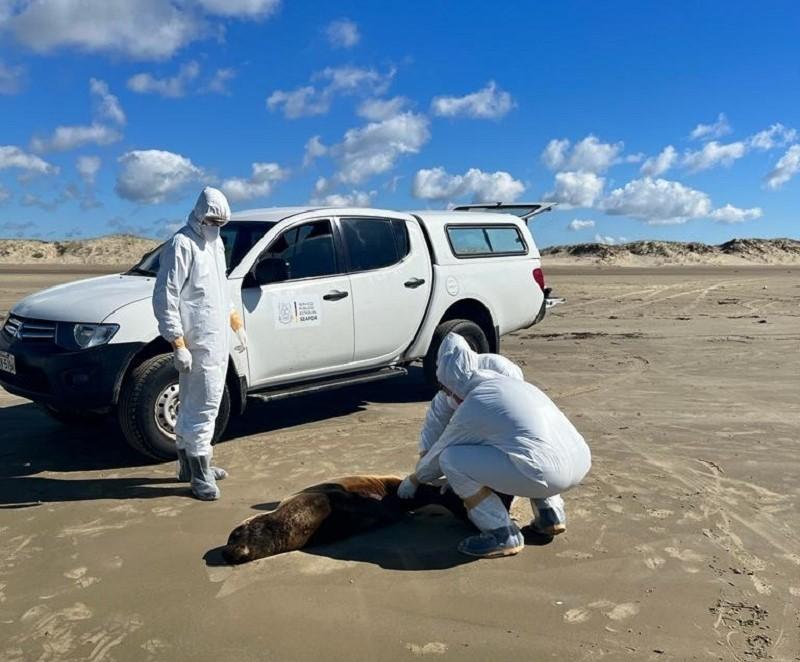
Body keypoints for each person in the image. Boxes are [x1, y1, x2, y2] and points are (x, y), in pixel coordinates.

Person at [398, 334, 591, 558]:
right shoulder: (511, 384)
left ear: (453, 385)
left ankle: (501, 533)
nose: (448, 396)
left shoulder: (476, 402)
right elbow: (435, 426)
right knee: (522, 445)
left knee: (451, 459)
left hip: (545, 474)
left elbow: (442, 451)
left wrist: (415, 479)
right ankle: (551, 514)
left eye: (449, 391)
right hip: (578, 462)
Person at [152, 187, 247, 501]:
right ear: (198, 213)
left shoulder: (216, 243)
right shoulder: (182, 244)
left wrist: (235, 323)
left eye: (220, 221)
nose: (214, 224)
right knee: (203, 408)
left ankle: (188, 466)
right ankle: (200, 474)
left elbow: (221, 290)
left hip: (217, 339)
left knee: (201, 403)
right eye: (210, 218)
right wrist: (177, 341)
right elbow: (166, 296)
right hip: (197, 341)